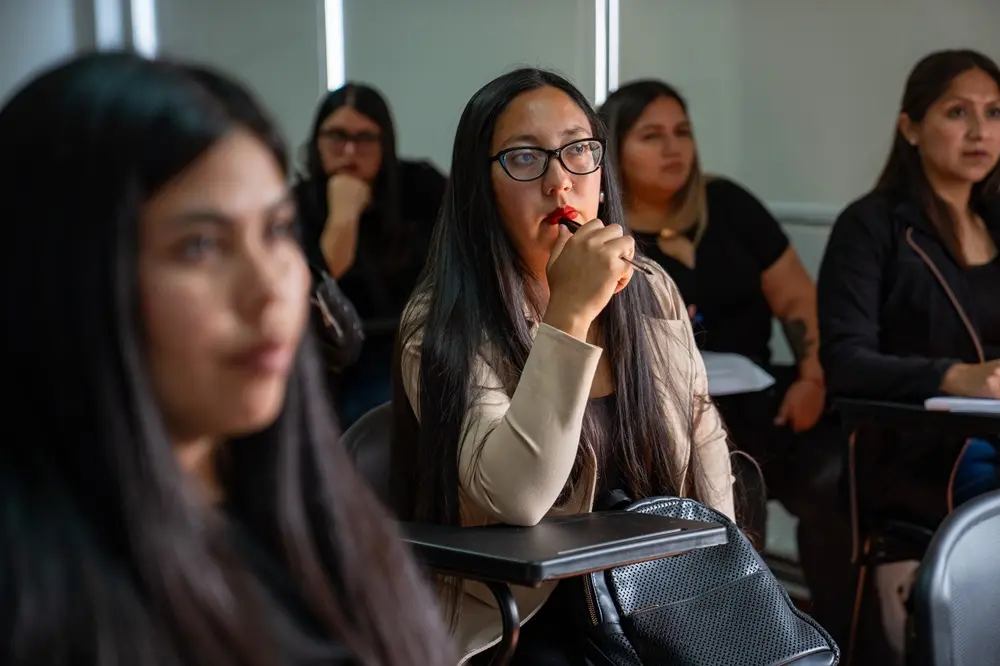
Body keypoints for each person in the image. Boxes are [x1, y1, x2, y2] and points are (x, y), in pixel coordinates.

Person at [0, 52, 453, 666]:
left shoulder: (314, 511)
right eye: (201, 246)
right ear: (63, 274)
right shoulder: (39, 594)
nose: (270, 288)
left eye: (276, 231)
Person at [389, 67, 735, 665]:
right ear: (483, 187)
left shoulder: (649, 288)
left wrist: (735, 586)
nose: (559, 182)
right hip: (524, 621)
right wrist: (569, 315)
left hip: (660, 600)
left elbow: (703, 455)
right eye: (524, 159)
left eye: (578, 151)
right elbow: (517, 498)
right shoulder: (441, 321)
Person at [600, 80, 853, 642]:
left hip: (763, 399)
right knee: (735, 488)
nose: (674, 149)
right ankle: (750, 640)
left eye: (682, 133)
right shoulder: (601, 234)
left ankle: (838, 639)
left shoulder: (730, 206)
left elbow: (798, 301)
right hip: (669, 418)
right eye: (652, 136)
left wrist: (813, 377)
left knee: (838, 476)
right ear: (613, 148)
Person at [818, 49, 1000, 662]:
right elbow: (845, 362)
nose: (981, 132)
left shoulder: (998, 220)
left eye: (995, 113)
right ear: (911, 127)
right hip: (921, 446)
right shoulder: (871, 227)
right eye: (957, 113)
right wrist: (956, 376)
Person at [294, 84, 446, 426]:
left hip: (417, 344)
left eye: (365, 138)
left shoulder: (421, 187)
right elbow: (315, 286)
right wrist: (343, 215)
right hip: (335, 357)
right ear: (317, 142)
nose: (349, 151)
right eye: (336, 136)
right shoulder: (297, 204)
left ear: (385, 143)